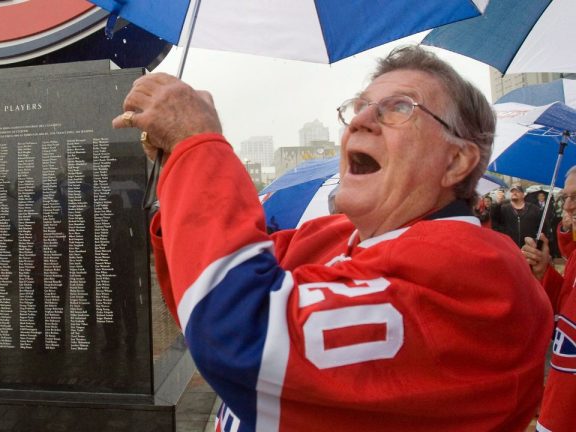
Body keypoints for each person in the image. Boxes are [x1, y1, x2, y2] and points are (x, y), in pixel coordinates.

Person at [114, 46, 551, 431]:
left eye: (398, 108)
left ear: (456, 161)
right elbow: (203, 292)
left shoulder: (479, 272)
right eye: (358, 106)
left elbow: (239, 333)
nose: (360, 120)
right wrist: (179, 157)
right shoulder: (337, 234)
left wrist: (198, 145)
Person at [523, 167, 576, 432]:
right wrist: (546, 272)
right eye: (566, 197)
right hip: (560, 401)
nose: (567, 206)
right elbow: (566, 312)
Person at [491, 183, 542, 248]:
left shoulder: (534, 209)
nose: (514, 193)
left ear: (523, 195)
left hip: (528, 248)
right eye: (512, 191)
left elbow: (541, 228)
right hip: (509, 247)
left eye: (517, 191)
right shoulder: (503, 208)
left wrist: (537, 244)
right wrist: (498, 203)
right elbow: (494, 221)